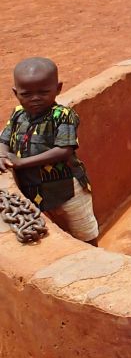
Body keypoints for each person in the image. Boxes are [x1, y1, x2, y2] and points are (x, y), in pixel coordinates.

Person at [0, 57, 99, 245]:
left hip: (68, 189)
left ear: (58, 88)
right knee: (54, 231)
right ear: (15, 93)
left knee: (84, 230)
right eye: (26, 94)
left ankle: (94, 253)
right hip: (35, 190)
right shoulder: (18, 114)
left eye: (43, 92)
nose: (35, 98)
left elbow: (63, 150)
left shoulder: (63, 116)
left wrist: (21, 163)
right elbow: (4, 139)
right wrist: (2, 154)